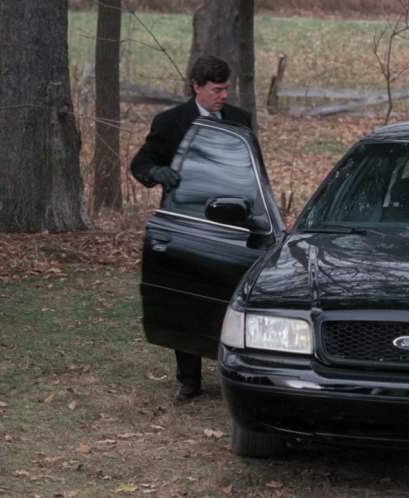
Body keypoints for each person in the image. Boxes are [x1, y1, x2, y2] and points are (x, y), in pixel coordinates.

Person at [131, 55, 252, 402]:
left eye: (226, 88)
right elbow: (141, 162)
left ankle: (236, 373)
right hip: (186, 224)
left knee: (231, 300)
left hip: (233, 224)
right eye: (216, 89)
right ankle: (188, 379)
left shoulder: (240, 121)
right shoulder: (170, 122)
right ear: (196, 87)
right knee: (185, 299)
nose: (223, 96)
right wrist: (156, 173)